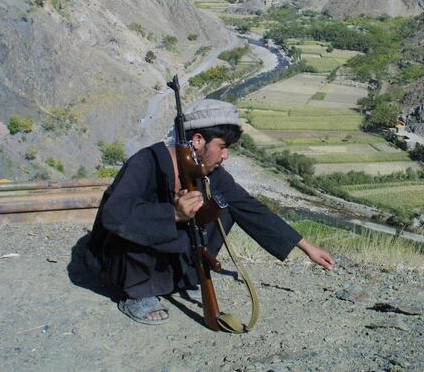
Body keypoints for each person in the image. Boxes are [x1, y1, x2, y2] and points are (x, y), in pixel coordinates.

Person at [86, 99, 335, 325]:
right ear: (197, 141)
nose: (225, 156)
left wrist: (306, 246)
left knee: (223, 206)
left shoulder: (209, 173)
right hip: (118, 262)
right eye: (223, 146)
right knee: (147, 219)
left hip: (163, 258)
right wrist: (173, 214)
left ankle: (184, 278)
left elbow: (249, 206)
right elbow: (115, 214)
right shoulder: (145, 162)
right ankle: (137, 294)